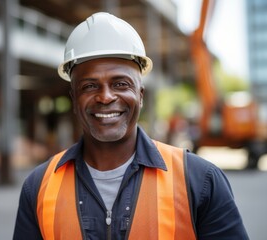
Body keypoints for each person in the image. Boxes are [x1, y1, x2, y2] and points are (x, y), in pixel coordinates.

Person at [13, 12, 249, 239]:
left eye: (120, 84)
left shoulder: (200, 181)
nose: (105, 97)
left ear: (141, 95)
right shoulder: (39, 186)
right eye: (89, 86)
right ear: (74, 99)